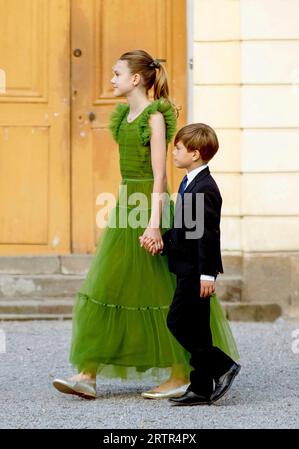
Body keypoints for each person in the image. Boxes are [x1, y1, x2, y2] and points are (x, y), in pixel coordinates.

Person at [52, 49, 191, 400]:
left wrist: (154, 226)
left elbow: (160, 176)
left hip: (149, 208)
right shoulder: (124, 117)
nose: (111, 80)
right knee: (108, 286)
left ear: (135, 79)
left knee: (164, 288)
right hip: (127, 204)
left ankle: (181, 374)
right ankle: (88, 374)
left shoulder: (154, 118)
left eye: (116, 74)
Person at [140, 123, 241, 406]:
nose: (173, 152)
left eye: (179, 148)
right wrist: (159, 242)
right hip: (187, 267)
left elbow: (207, 236)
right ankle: (201, 387)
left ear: (195, 154)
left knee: (177, 321)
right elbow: (186, 230)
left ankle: (223, 366)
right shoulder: (189, 183)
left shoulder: (205, 188)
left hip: (196, 272)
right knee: (197, 328)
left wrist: (208, 275)